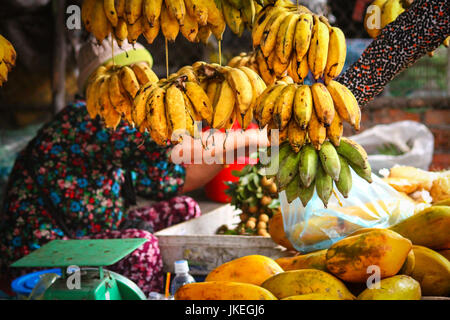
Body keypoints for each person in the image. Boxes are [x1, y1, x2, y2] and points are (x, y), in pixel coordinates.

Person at [0, 37, 269, 296]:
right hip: (41, 252)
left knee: (185, 207)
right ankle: (147, 295)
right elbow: (179, 149)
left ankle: (180, 286)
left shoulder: (126, 129)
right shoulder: (87, 118)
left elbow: (173, 179)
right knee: (144, 247)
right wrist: (253, 135)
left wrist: (231, 151)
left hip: (89, 235)